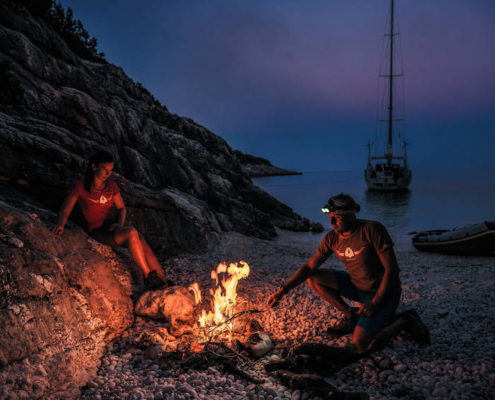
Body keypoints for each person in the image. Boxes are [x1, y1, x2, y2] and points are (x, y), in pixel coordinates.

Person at [267, 193, 429, 352]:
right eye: (330, 217)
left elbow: (392, 269)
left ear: (351, 216)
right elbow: (310, 267)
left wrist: (375, 304)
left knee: (360, 343)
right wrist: (283, 291)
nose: (331, 222)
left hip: (384, 292)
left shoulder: (372, 229)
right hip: (357, 287)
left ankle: (405, 320)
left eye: (336, 217)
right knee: (314, 277)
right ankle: (351, 316)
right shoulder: (332, 238)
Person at [51, 151, 169, 290]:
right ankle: (149, 276)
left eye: (110, 171)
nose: (108, 174)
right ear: (94, 167)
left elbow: (121, 208)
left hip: (113, 225)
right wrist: (61, 224)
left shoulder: (111, 186)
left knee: (143, 244)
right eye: (105, 170)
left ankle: (164, 283)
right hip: (98, 230)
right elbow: (65, 209)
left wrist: (119, 224)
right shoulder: (81, 187)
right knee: (131, 233)